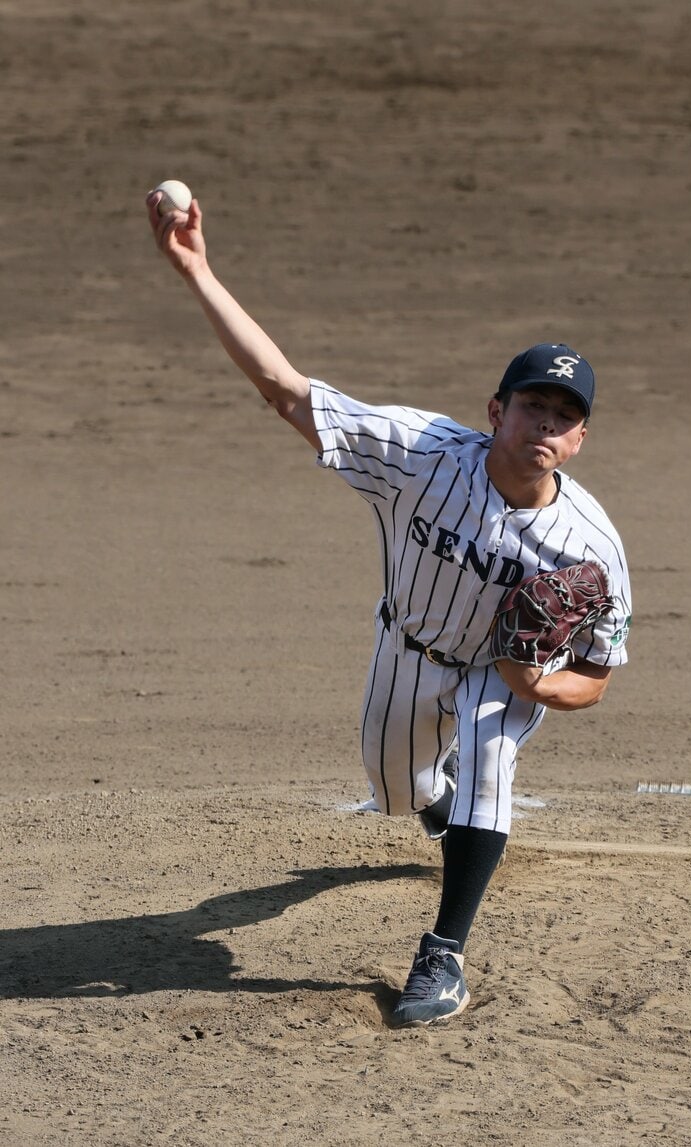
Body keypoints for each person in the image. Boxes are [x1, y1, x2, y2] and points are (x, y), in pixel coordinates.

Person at [145, 191, 632, 1028]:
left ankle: (443, 954)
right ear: (495, 413)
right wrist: (198, 271)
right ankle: (435, 806)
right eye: (530, 408)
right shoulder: (419, 454)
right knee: (398, 794)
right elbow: (286, 393)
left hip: (495, 677)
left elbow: (598, 671)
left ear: (580, 438)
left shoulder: (591, 547)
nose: (543, 427)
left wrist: (545, 690)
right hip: (404, 649)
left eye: (563, 418)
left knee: (488, 759)